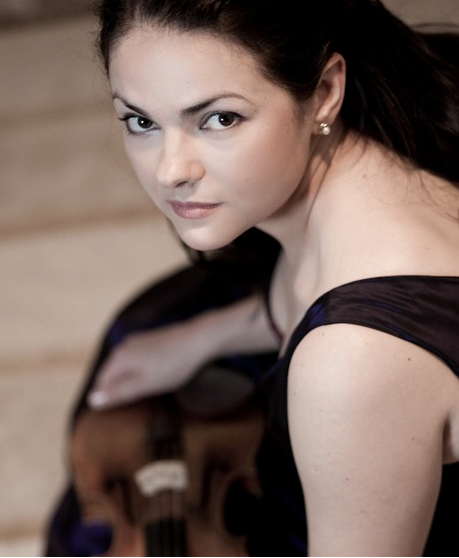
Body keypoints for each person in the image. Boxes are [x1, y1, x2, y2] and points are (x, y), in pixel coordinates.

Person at [83, 0, 459, 555]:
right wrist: (204, 336)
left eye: (219, 119)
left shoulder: (352, 360)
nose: (170, 171)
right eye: (141, 122)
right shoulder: (373, 174)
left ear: (325, 91)